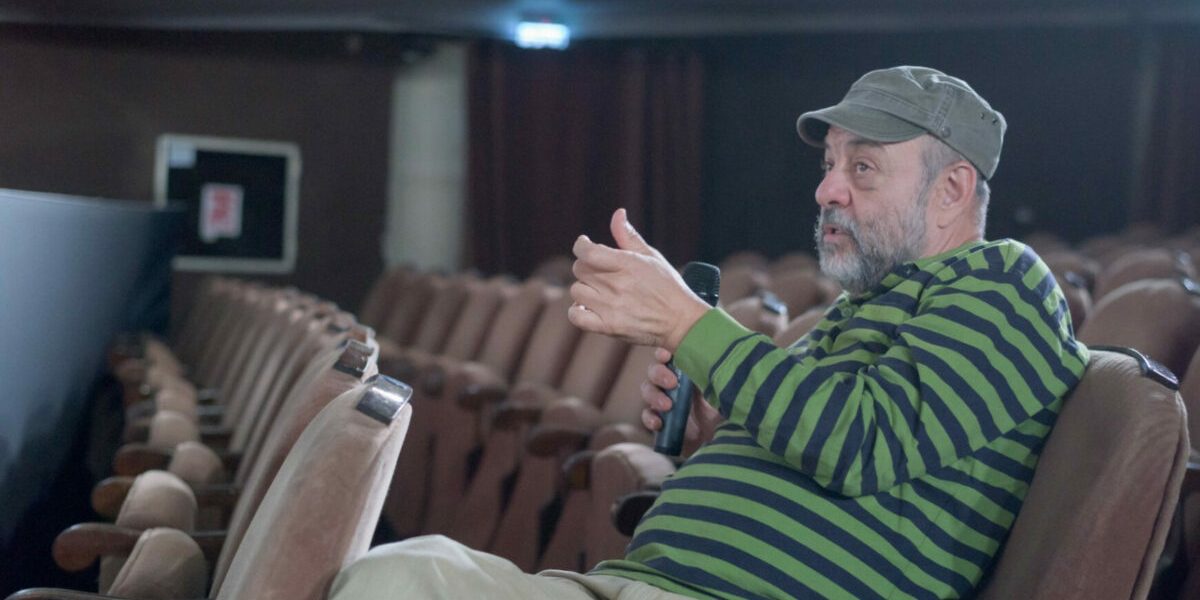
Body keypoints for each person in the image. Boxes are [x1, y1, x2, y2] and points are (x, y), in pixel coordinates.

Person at [330, 66, 1088, 599]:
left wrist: (688, 323)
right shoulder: (857, 309)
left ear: (952, 189)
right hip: (644, 581)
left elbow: (866, 443)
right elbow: (822, 444)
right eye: (830, 163)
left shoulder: (1003, 285)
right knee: (400, 572)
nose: (827, 189)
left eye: (863, 168)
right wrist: (714, 432)